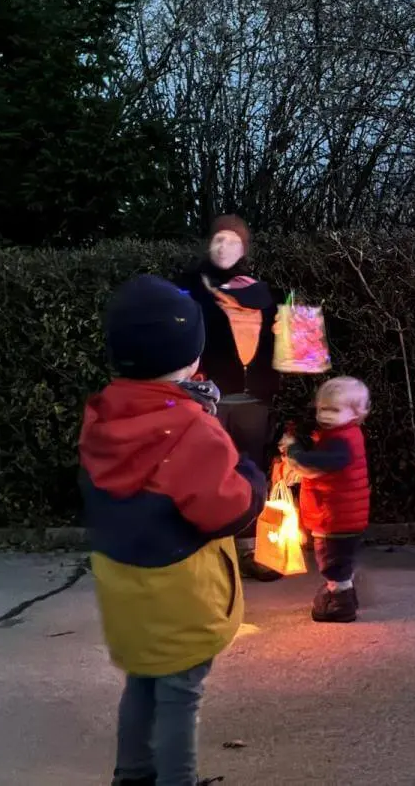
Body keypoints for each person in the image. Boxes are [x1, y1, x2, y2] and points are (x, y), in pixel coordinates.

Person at [80, 275, 267, 786]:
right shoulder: (188, 428)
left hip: (125, 589)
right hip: (179, 593)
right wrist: (253, 479)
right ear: (188, 355)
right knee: (180, 695)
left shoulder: (102, 417)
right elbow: (222, 509)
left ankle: (133, 774)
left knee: (142, 681)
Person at [177, 214, 282, 581]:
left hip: (253, 398)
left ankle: (251, 549)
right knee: (209, 472)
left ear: (244, 248)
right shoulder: (191, 286)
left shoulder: (258, 290)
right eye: (219, 239)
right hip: (209, 397)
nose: (225, 247)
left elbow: (277, 341)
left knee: (251, 473)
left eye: (233, 241)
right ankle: (209, 553)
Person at [279, 376, 372, 624]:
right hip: (338, 515)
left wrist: (293, 451)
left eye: (334, 410)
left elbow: (317, 463)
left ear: (356, 412)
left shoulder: (342, 441)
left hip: (335, 518)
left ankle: (340, 604)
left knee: (332, 561)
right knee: (338, 560)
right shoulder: (341, 434)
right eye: (322, 409)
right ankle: (343, 594)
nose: (326, 415)